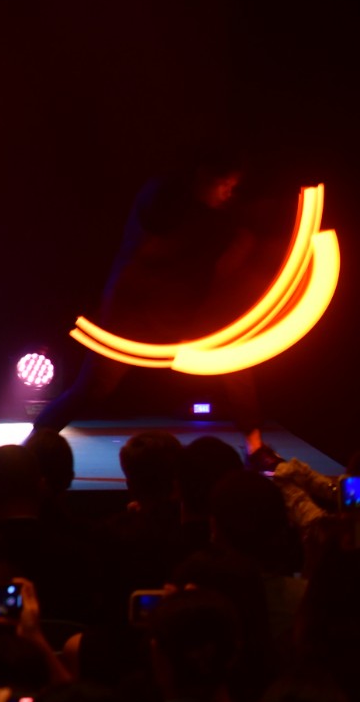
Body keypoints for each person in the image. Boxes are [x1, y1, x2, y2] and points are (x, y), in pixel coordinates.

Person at [33, 150, 275, 467]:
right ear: (205, 176)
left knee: (235, 360)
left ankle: (255, 447)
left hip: (183, 310)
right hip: (133, 311)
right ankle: (36, 440)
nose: (229, 192)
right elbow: (148, 258)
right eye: (226, 185)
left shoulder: (213, 212)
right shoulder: (164, 199)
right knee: (94, 386)